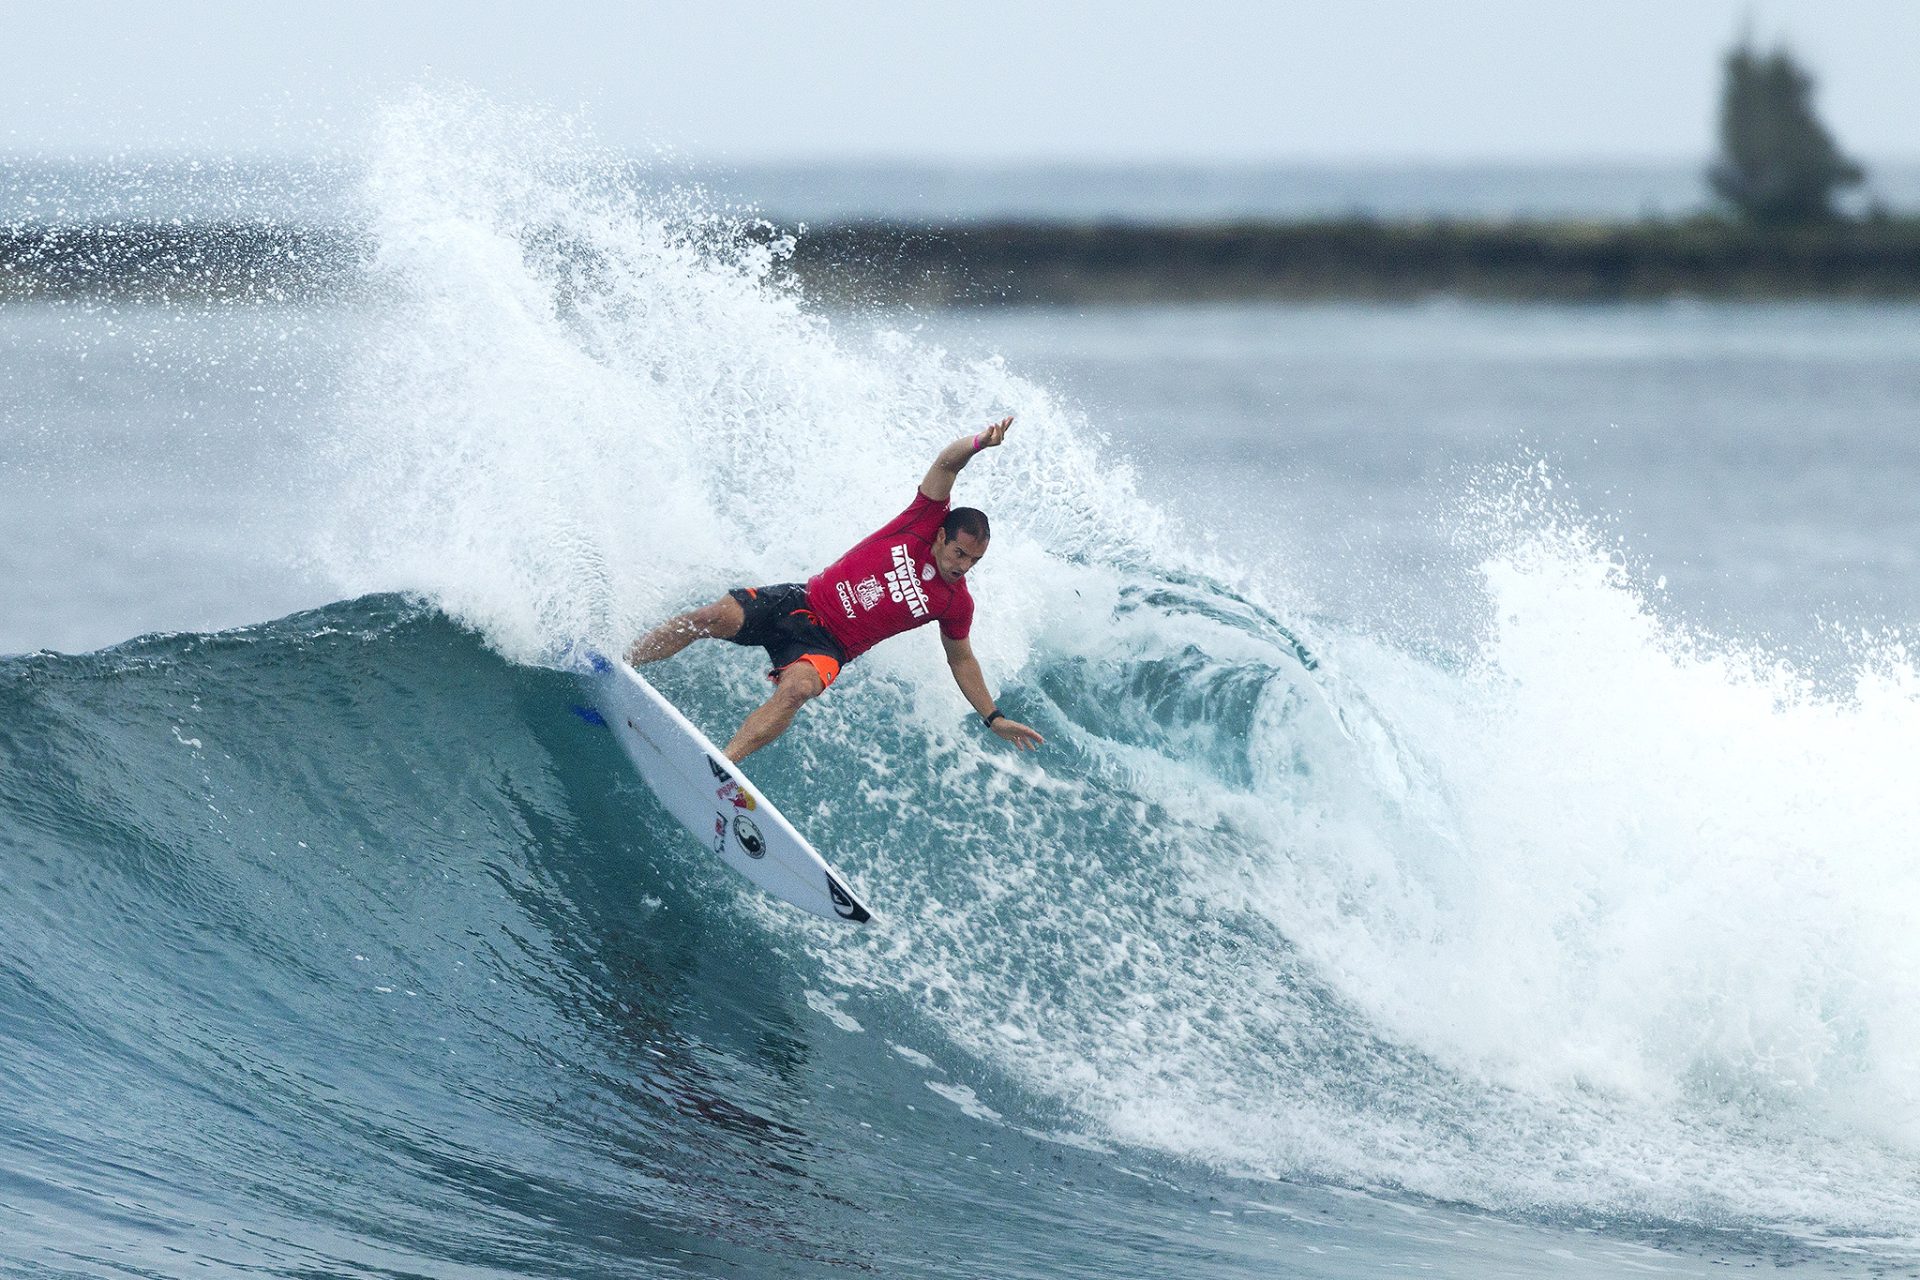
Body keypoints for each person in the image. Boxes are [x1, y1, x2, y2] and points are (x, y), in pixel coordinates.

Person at [625, 416, 1047, 762]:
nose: (963, 567)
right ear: (941, 536)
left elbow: (961, 658)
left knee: (797, 690)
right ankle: (620, 663)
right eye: (959, 553)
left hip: (829, 647)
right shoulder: (921, 519)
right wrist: (978, 442)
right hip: (800, 601)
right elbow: (946, 465)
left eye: (974, 561)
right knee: (708, 618)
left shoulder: (956, 602)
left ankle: (720, 766)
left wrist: (993, 717)